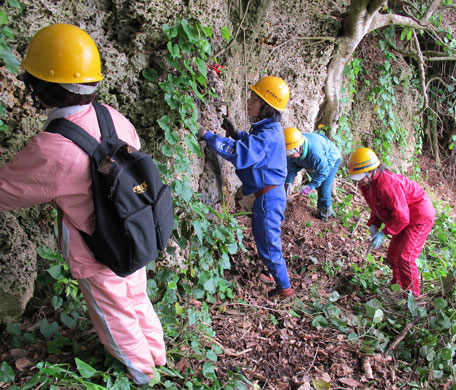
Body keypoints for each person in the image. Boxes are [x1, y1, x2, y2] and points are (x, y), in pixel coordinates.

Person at [0, 24, 165, 384]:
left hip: (96, 248)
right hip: (134, 230)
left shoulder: (51, 149)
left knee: (113, 314)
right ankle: (157, 354)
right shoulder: (113, 117)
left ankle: (141, 374)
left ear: (40, 88)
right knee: (136, 296)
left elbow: (5, 191)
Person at [200, 76, 294, 299]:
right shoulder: (267, 129)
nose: (249, 102)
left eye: (254, 99)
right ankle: (275, 277)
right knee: (266, 243)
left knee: (269, 247)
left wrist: (209, 137)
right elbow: (253, 147)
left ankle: (285, 290)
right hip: (267, 194)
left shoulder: (268, 133)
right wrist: (236, 134)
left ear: (267, 107)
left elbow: (241, 153)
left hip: (268, 198)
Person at [348, 147, 435, 297]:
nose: (359, 182)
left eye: (361, 177)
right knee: (393, 256)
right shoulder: (367, 185)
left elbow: (402, 217)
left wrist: (383, 233)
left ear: (371, 171)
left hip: (419, 217)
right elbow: (377, 206)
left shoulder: (387, 184)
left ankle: (413, 297)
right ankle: (398, 289)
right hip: (402, 218)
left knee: (406, 258)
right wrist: (374, 224)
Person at [284, 127, 341, 220]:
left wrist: (311, 186)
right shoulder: (291, 150)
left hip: (330, 159)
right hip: (311, 160)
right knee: (317, 181)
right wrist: (288, 183)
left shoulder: (315, 153)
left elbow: (323, 172)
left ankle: (325, 213)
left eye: (291, 154)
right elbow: (290, 169)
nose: (289, 156)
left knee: (323, 186)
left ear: (299, 148)